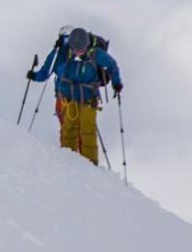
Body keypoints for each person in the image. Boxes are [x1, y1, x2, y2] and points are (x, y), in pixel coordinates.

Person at [27, 27, 123, 165]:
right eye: (75, 49)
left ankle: (89, 165)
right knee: (68, 129)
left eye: (81, 49)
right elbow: (46, 71)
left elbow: (112, 65)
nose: (78, 52)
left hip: (88, 99)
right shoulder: (62, 52)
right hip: (68, 98)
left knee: (87, 130)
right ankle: (68, 161)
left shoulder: (95, 53)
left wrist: (117, 82)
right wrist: (34, 76)